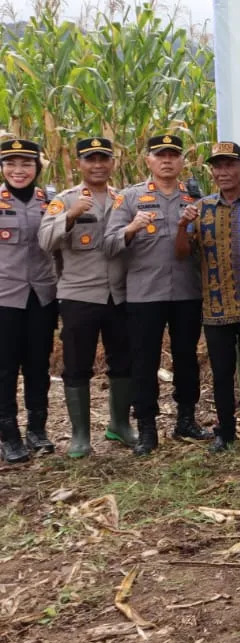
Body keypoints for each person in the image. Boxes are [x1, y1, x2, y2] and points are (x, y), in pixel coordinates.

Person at [104, 134, 210, 455]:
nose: (167, 161)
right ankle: (147, 427)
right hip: (144, 294)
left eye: (173, 155)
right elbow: (107, 245)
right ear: (148, 161)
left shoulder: (195, 198)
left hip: (187, 292)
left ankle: (186, 420)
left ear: (182, 162)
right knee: (144, 361)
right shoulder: (130, 198)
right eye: (160, 155)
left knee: (187, 358)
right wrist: (131, 228)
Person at [38, 137, 133, 458]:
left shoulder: (124, 199)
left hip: (119, 295)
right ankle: (80, 436)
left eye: (103, 159)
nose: (97, 165)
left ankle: (120, 424)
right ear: (78, 164)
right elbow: (45, 240)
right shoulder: (64, 200)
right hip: (79, 295)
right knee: (77, 366)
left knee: (123, 362)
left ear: (112, 163)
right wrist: (71, 215)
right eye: (90, 159)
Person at [175, 142, 240, 453]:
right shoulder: (200, 209)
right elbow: (182, 253)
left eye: (230, 165)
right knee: (221, 373)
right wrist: (181, 225)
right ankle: (225, 431)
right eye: (217, 166)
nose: (223, 171)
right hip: (215, 306)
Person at [0, 139, 58, 463]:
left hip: (42, 295)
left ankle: (37, 429)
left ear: (37, 167)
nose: (18, 171)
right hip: (5, 297)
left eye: (26, 164)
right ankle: (9, 436)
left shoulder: (49, 199)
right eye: (11, 164)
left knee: (38, 364)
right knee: (5, 368)